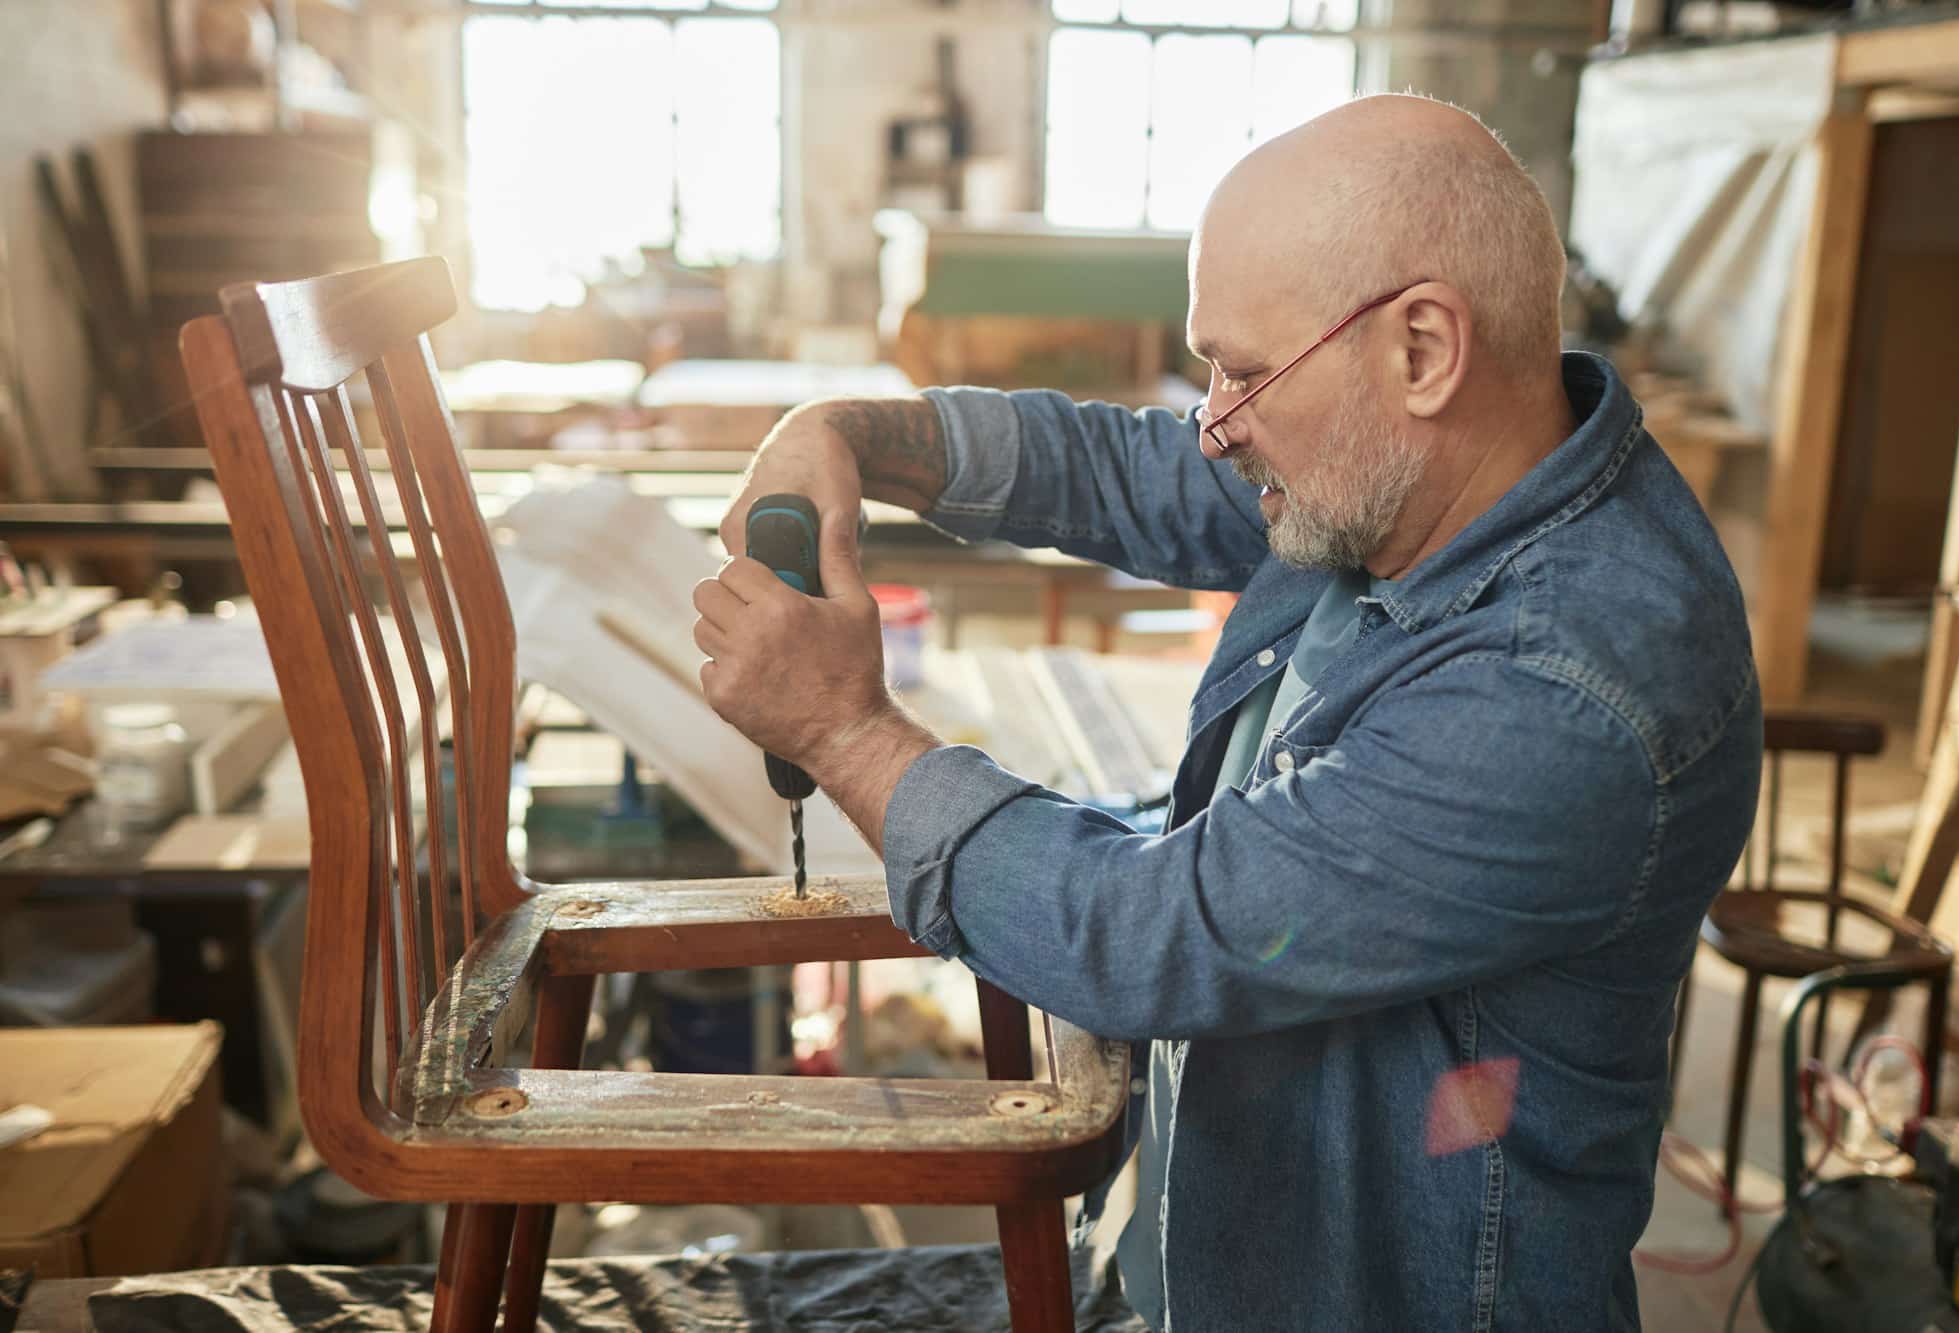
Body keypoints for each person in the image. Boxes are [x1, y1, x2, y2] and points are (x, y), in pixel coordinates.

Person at [693, 94, 1762, 1331]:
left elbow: (1143, 936)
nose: (1214, 421)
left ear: (1422, 349)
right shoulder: (1417, 474)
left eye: (1247, 372)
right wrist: (851, 434)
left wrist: (841, 729)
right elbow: (1131, 472)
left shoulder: (1566, 686)